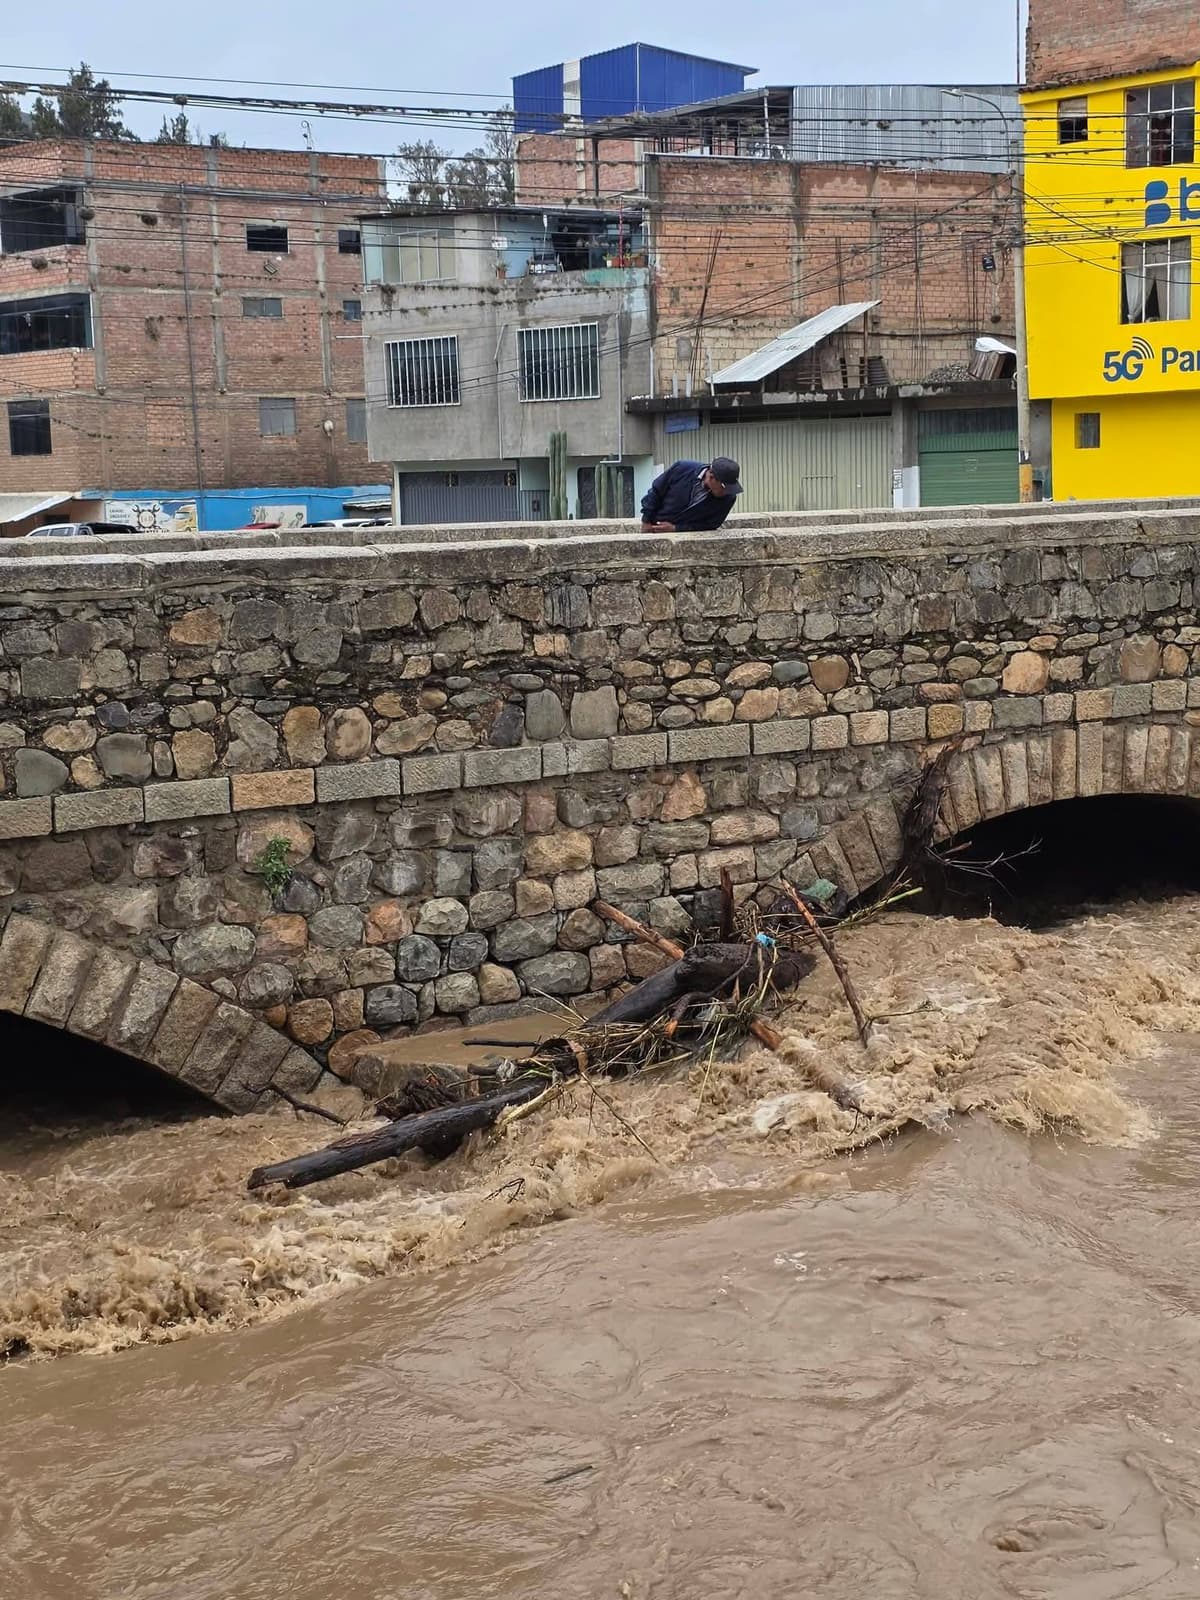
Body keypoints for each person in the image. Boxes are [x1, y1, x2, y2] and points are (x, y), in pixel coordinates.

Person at [640, 457, 743, 533]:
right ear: (711, 477)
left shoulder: (729, 498)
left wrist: (676, 528)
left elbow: (711, 524)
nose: (726, 493)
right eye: (723, 488)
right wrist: (646, 520)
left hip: (683, 538)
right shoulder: (682, 469)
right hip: (654, 526)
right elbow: (656, 491)